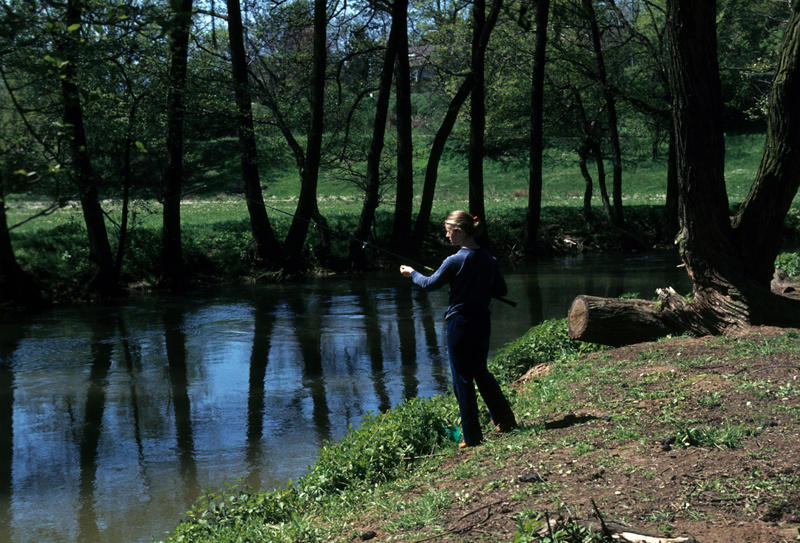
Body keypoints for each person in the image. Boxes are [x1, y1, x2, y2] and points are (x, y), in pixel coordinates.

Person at [400, 210, 517, 448]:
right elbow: (502, 290)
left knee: (462, 378)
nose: (446, 236)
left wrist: (411, 273)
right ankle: (505, 421)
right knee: (481, 372)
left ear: (460, 231)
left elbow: (430, 284)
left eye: (448, 231)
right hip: (482, 322)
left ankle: (471, 437)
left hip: (459, 324)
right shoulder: (488, 259)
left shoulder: (455, 260)